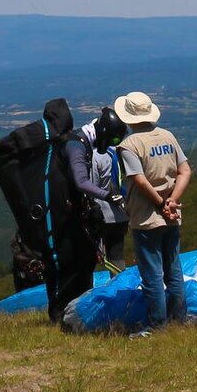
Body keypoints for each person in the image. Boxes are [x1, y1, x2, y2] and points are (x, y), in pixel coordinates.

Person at [0, 98, 94, 324]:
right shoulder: (50, 146)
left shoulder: (41, 147)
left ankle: (67, 311)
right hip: (56, 219)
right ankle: (61, 314)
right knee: (61, 262)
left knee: (64, 262)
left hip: (54, 218)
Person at [115, 91, 192, 337]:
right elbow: (185, 171)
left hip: (147, 217)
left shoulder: (129, 145)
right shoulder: (168, 136)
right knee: (174, 269)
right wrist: (172, 201)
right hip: (172, 214)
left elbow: (139, 180)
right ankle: (180, 319)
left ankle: (157, 326)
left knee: (152, 274)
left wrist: (160, 204)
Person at [63, 107, 129, 274]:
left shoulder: (89, 152)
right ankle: (122, 290)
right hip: (121, 213)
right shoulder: (115, 153)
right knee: (117, 257)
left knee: (93, 259)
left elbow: (87, 184)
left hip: (102, 215)